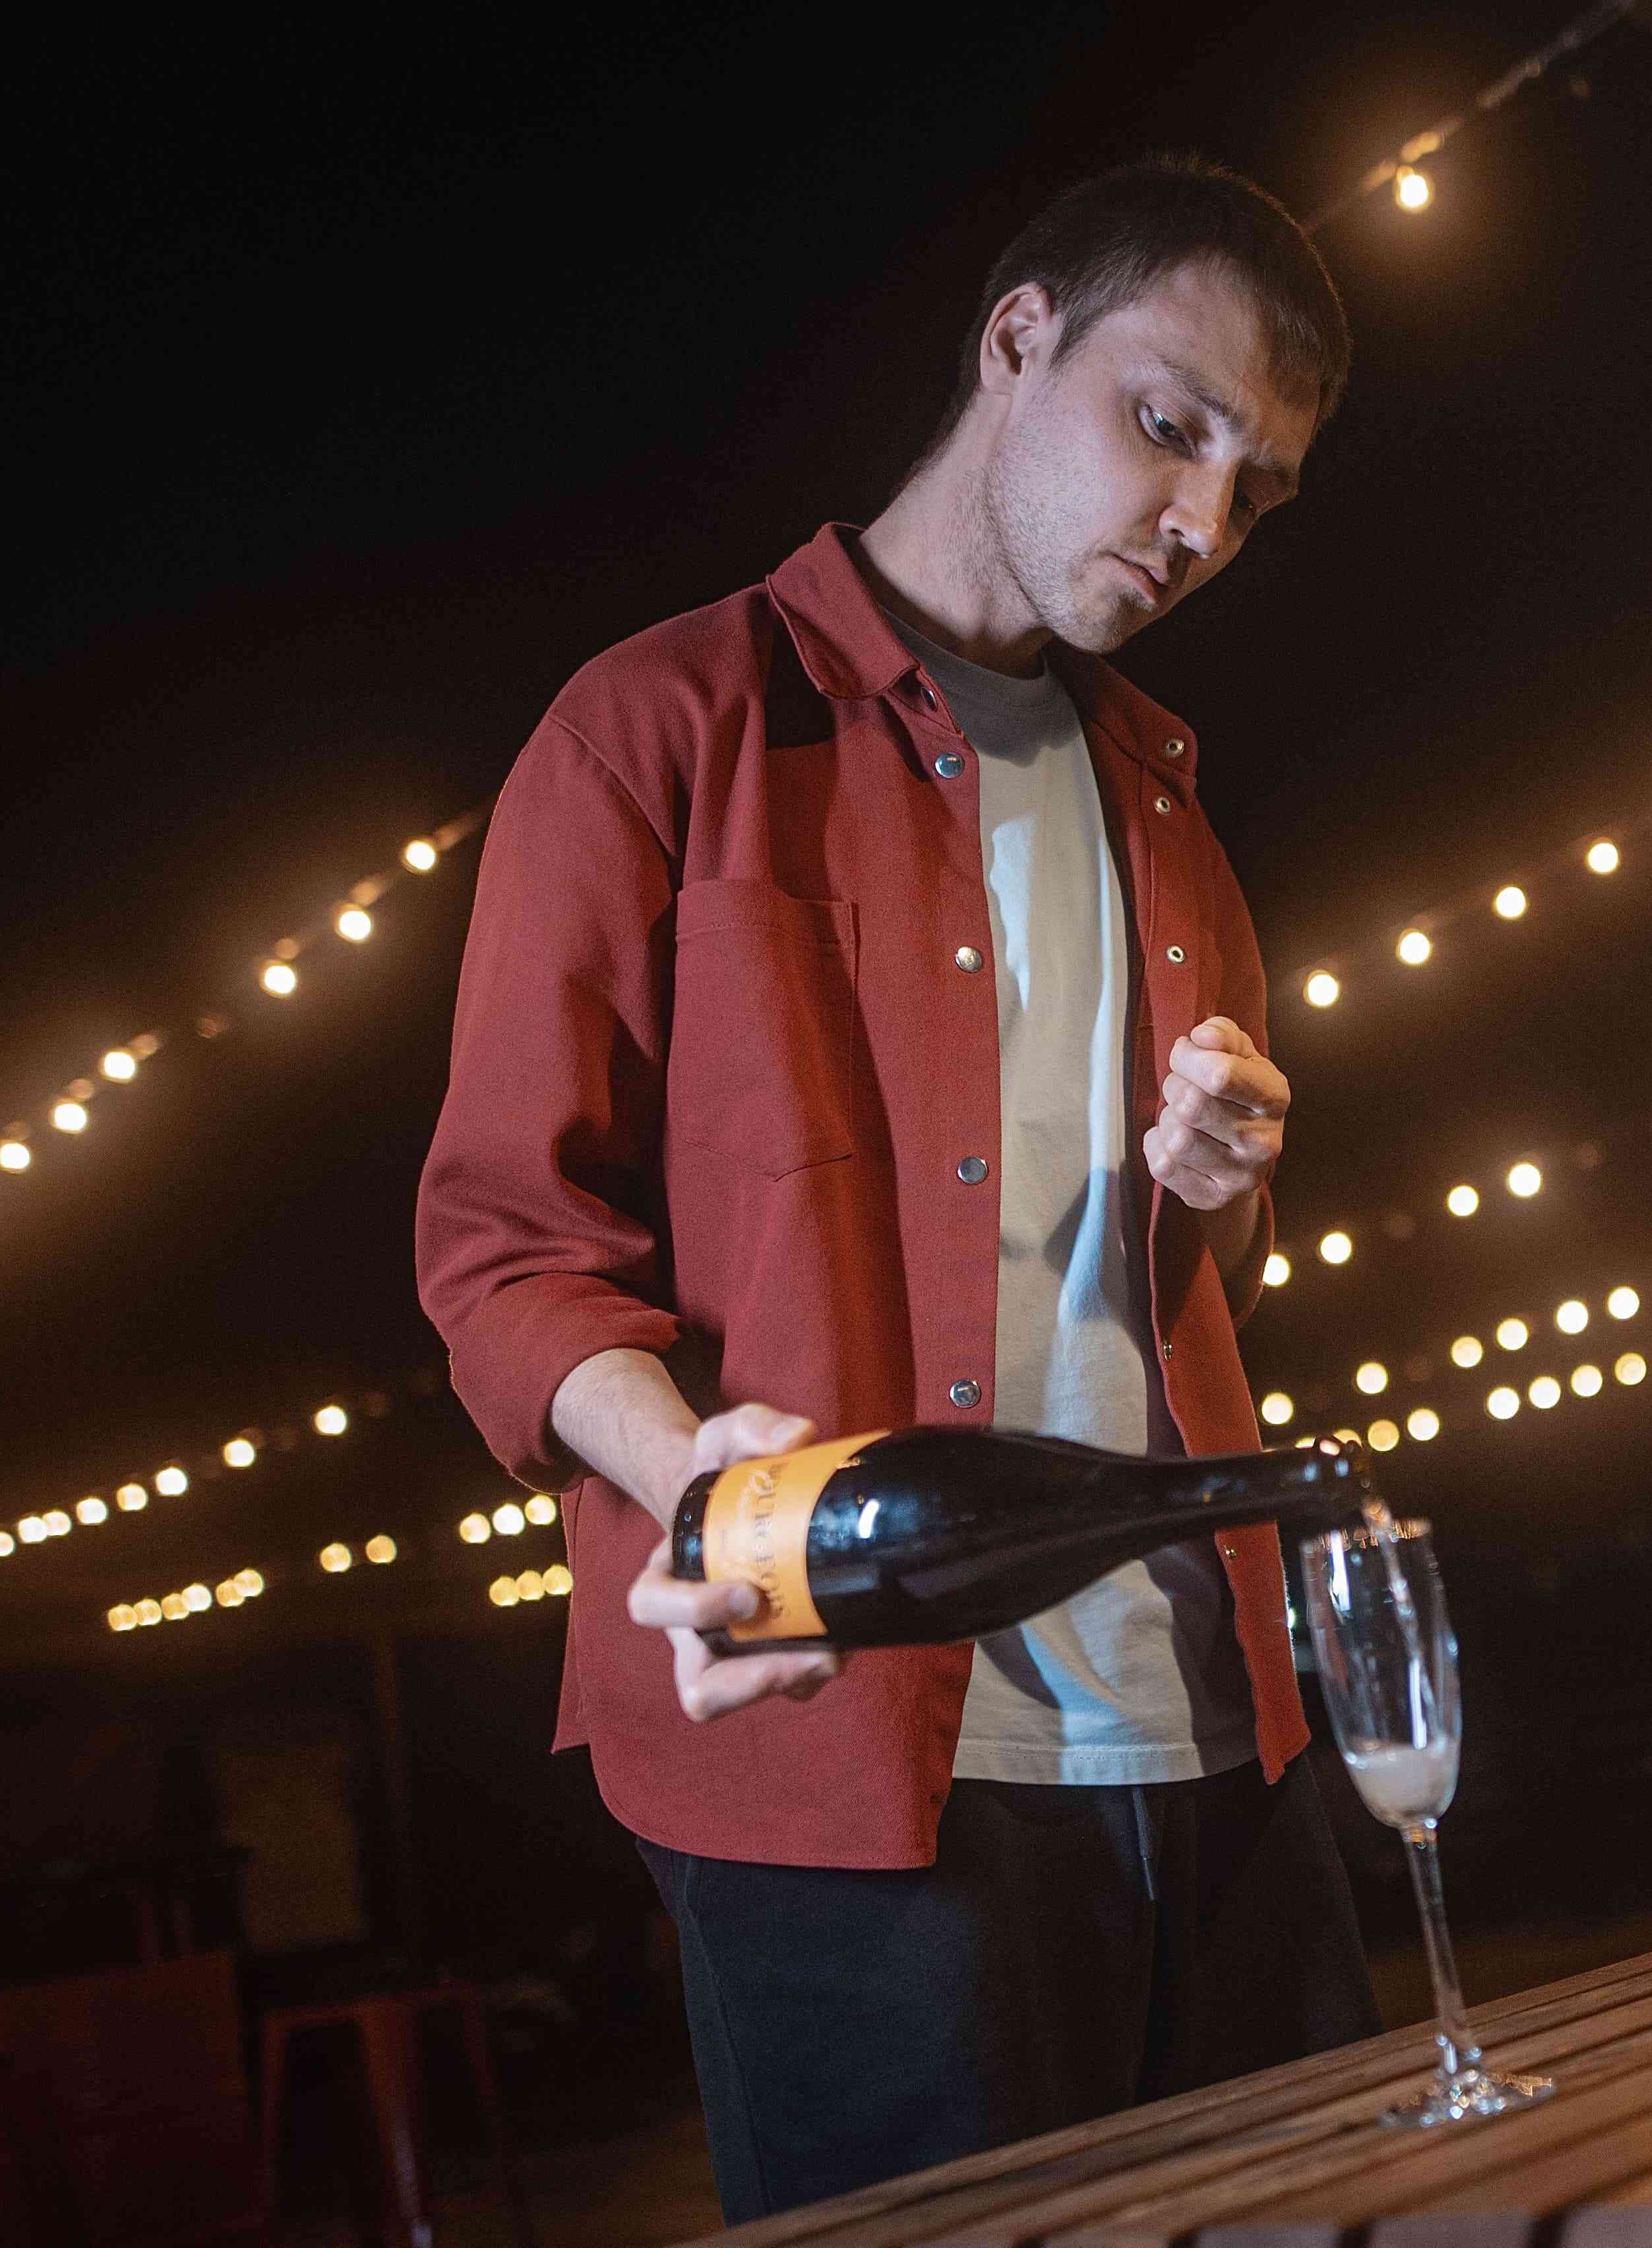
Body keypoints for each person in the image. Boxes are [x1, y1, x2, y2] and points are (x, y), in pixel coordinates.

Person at [415, 154, 1378, 2216]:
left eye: (1257, 491)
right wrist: (701, 1481)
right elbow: (500, 1252)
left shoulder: (1170, 807)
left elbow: (1192, 1282)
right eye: (1169, 425)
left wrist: (1218, 1183)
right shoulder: (656, 729)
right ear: (1016, 338)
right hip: (839, 1745)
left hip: (1213, 1727)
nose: (1202, 522)